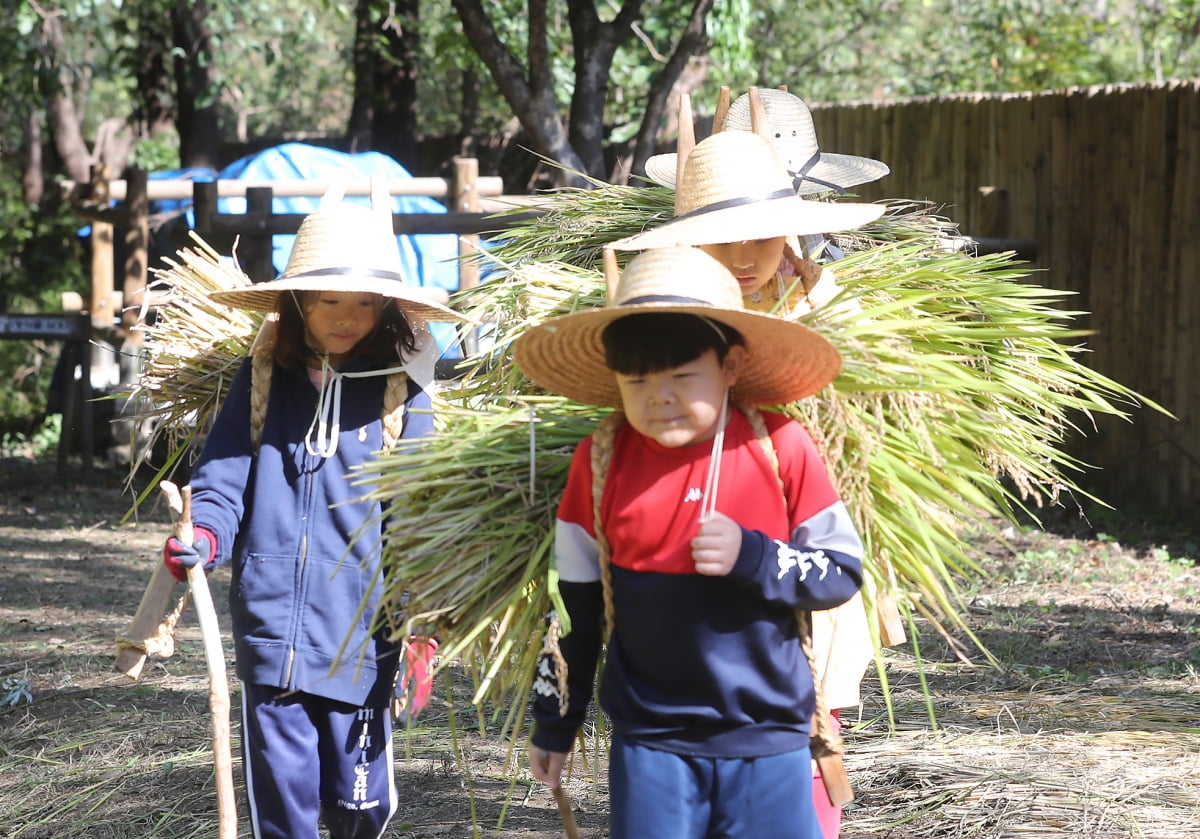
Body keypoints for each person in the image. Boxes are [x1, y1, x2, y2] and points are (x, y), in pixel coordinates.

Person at [514, 245, 865, 839]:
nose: (660, 397)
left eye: (682, 376)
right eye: (638, 380)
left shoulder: (780, 447)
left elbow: (840, 572)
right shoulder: (600, 462)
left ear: (729, 366)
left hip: (766, 738)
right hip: (652, 742)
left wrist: (752, 556)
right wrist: (554, 724)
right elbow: (572, 610)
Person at [160, 184, 469, 839]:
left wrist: (425, 617)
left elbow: (419, 509)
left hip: (362, 636)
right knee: (285, 808)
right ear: (298, 299)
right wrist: (205, 536)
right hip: (272, 633)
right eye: (329, 298)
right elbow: (223, 473)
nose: (346, 316)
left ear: (386, 307)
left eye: (364, 302)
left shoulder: (402, 392)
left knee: (359, 806)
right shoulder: (265, 376)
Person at [613, 123, 892, 839]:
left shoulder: (826, 310)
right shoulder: (654, 315)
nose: (742, 256)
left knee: (809, 706)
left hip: (801, 549)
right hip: (675, 589)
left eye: (760, 236)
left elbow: (867, 427)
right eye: (722, 239)